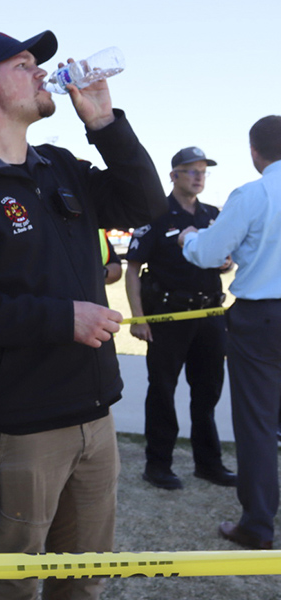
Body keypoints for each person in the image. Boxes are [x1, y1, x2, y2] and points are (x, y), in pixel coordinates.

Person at [0, 30, 166, 600]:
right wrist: (60, 319)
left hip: (94, 417)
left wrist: (105, 125)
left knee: (84, 583)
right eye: (24, 65)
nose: (43, 73)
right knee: (11, 589)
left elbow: (145, 205)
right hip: (14, 427)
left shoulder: (62, 168)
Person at [179, 115, 281, 551]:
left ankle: (257, 525)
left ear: (255, 152)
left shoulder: (254, 193)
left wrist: (188, 237)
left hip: (261, 321)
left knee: (257, 424)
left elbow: (207, 254)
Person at [125, 146, 235, 491]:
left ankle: (209, 464)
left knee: (208, 392)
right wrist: (139, 319)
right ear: (173, 175)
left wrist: (226, 262)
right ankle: (158, 465)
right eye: (191, 170)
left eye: (203, 170)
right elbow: (132, 270)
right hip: (168, 317)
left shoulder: (213, 215)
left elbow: (226, 260)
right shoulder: (155, 214)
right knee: (162, 391)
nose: (198, 176)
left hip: (210, 315)